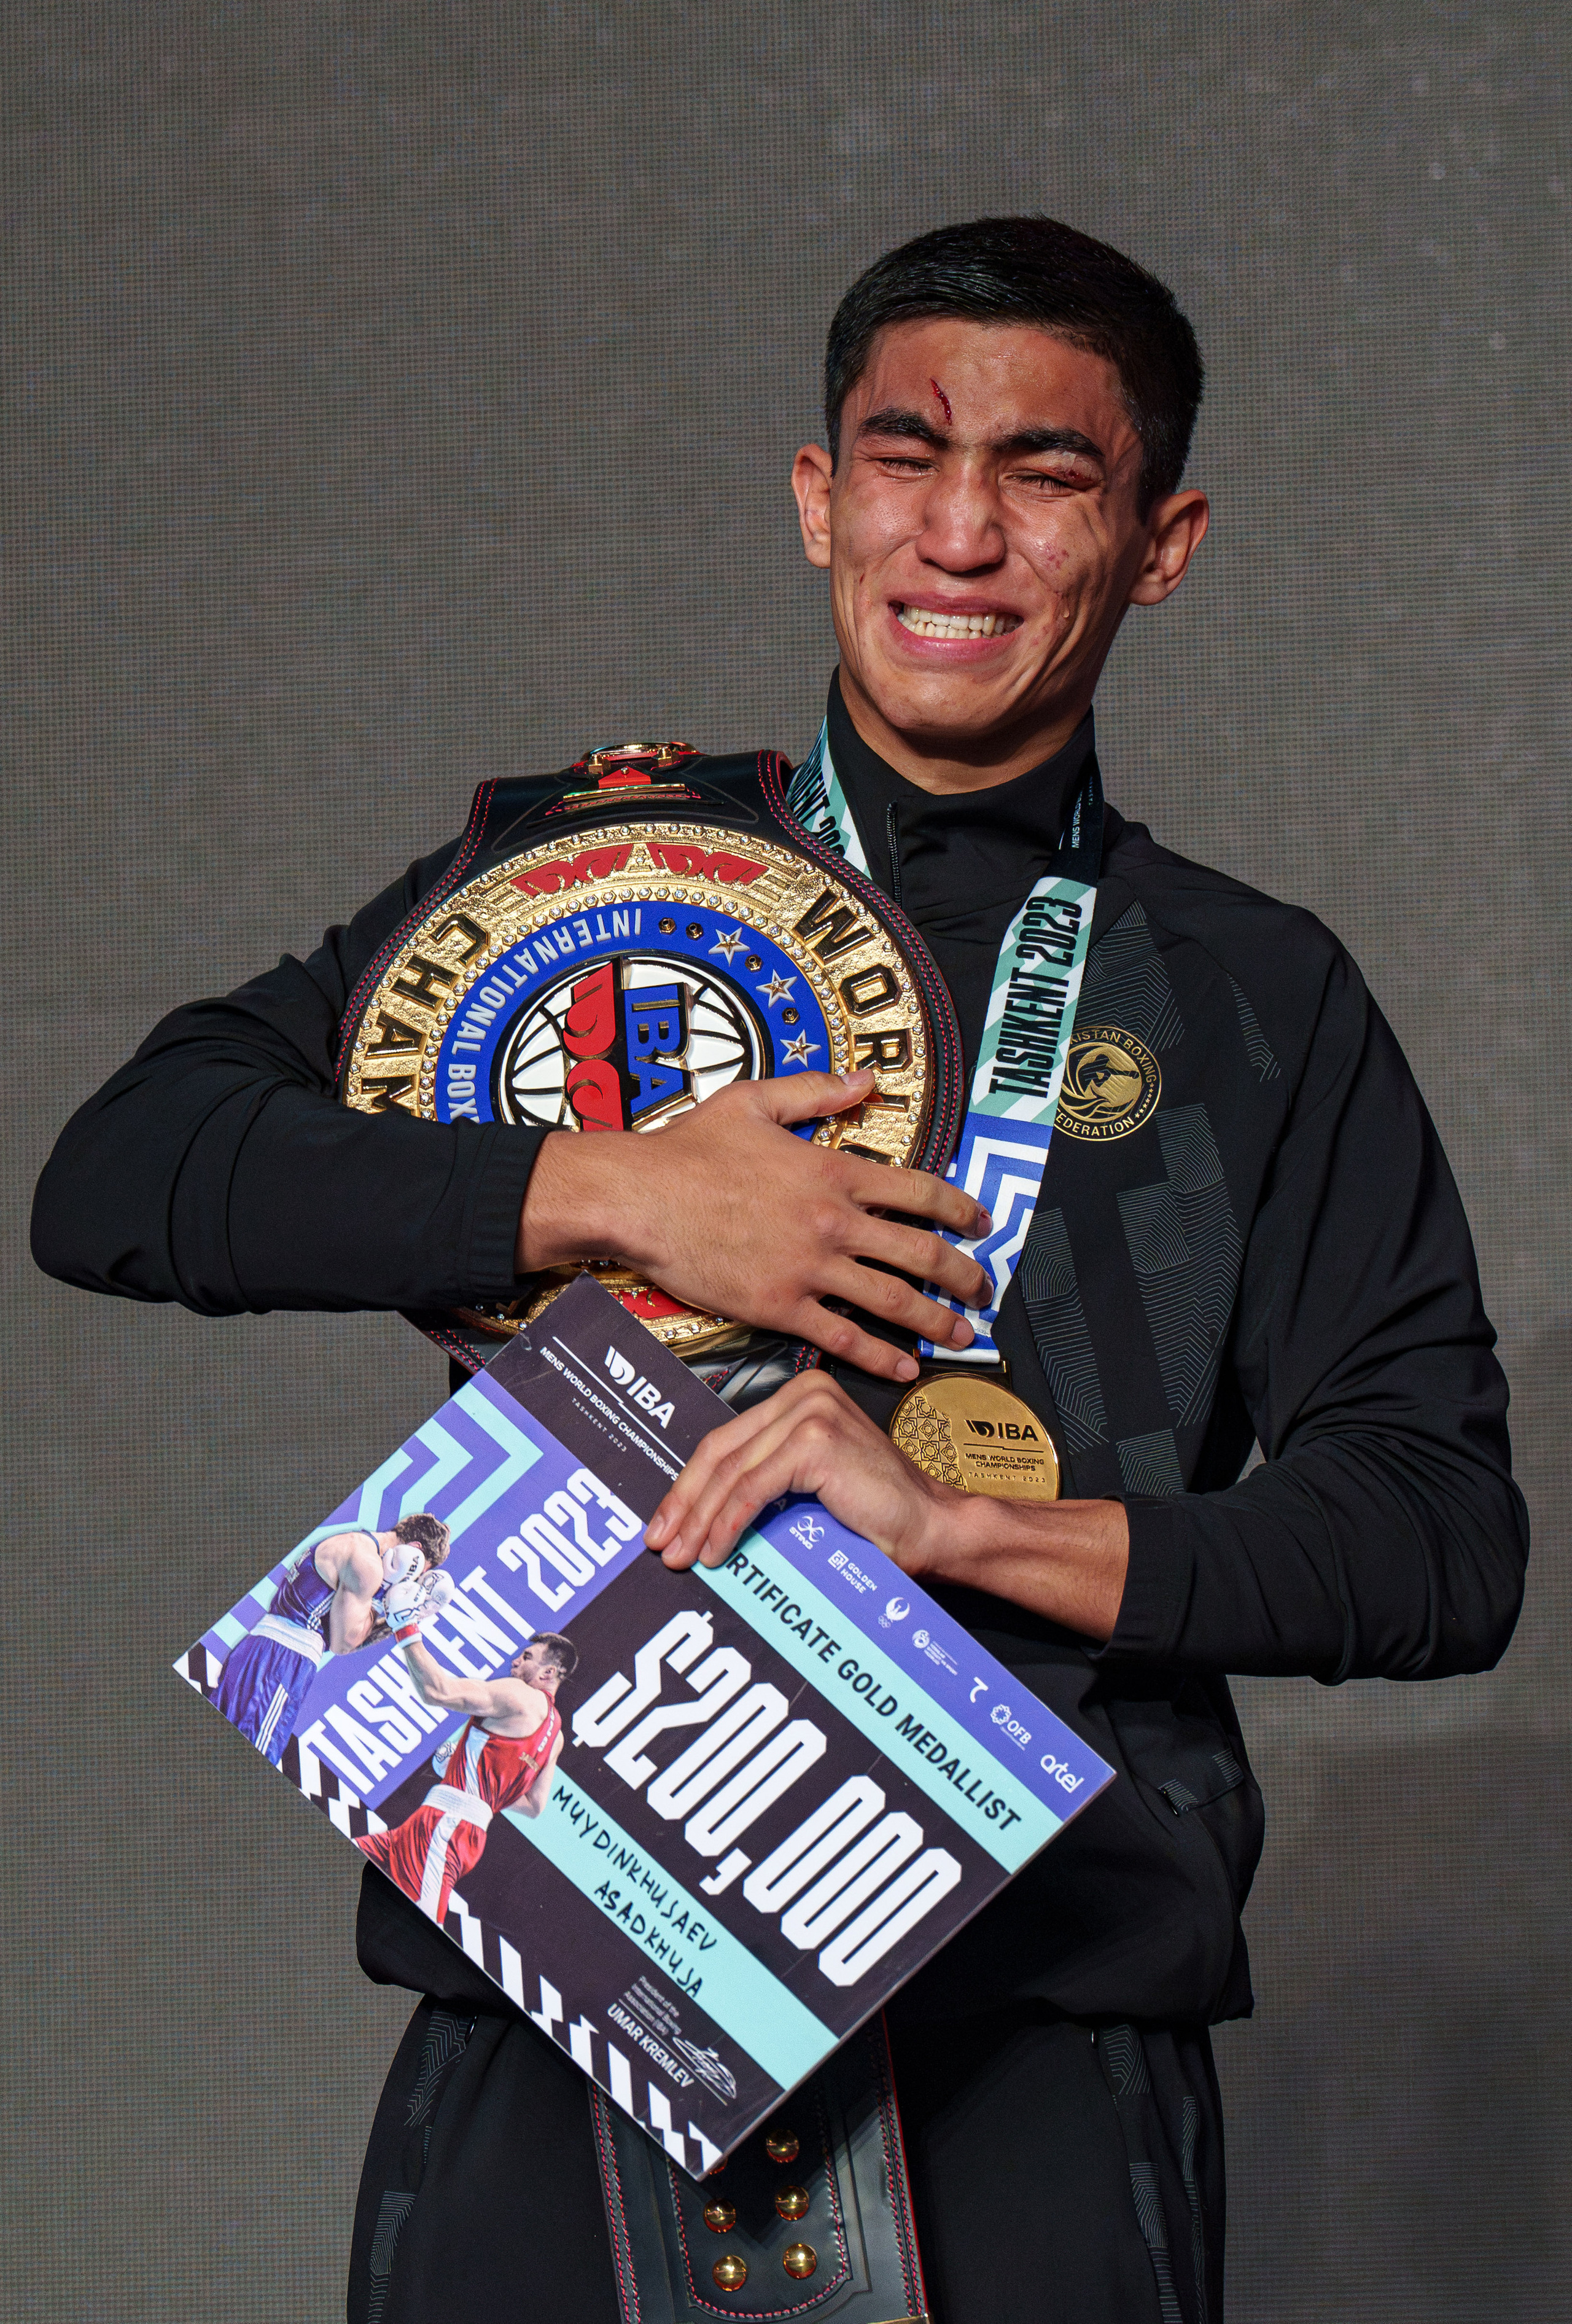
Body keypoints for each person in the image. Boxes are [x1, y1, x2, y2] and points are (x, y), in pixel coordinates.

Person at [31, 216, 1527, 2324]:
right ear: (821, 496)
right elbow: (123, 1173)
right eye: (906, 454)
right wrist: (600, 1190)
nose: (963, 532)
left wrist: (967, 1528)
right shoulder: (583, 886)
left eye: (1048, 475)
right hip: (547, 1985)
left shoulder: (1253, 998)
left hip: (1032, 2043)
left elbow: (1441, 1545)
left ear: (1161, 541)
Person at [356, 1631, 573, 1924]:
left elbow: (439, 1692)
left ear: (548, 1672)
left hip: (446, 1826)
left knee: (416, 1935)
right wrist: (475, 1785)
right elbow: (534, 1806)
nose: (515, 1662)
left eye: (527, 1657)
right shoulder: (556, 1736)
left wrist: (406, 1628)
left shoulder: (521, 1694)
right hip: (460, 1829)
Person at [214, 1512, 452, 1765]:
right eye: (419, 1572)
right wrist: (397, 1619)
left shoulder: (356, 1540)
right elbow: (344, 1643)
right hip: (283, 1665)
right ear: (413, 1552)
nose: (411, 1582)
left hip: (258, 1649)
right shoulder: (368, 1566)